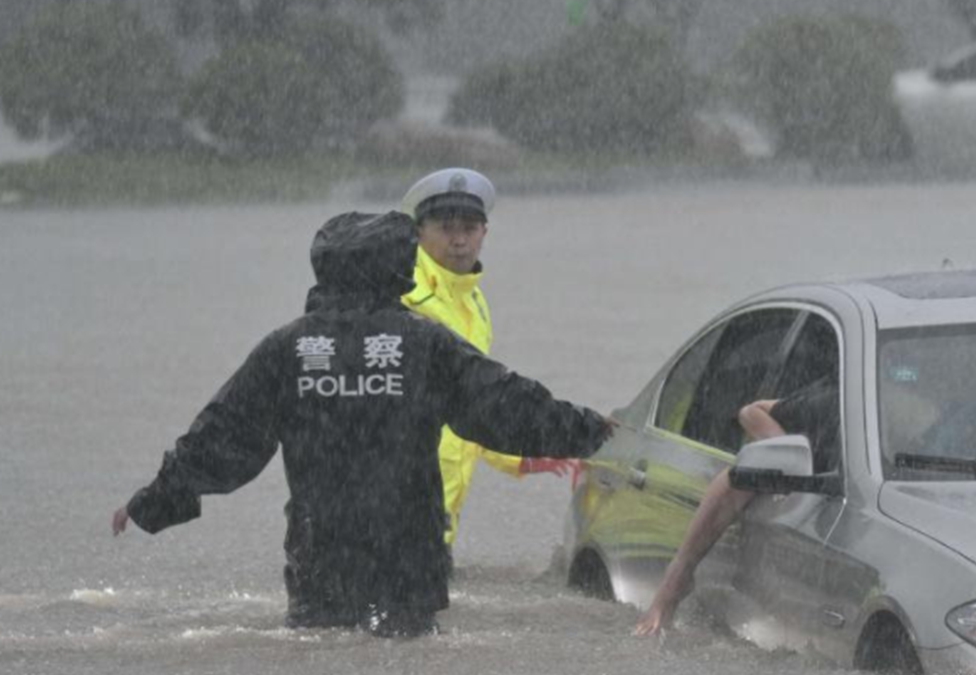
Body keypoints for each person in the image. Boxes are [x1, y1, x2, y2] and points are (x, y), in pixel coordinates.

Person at [111, 211, 613, 637]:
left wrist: (154, 499)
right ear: (399, 269)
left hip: (320, 557)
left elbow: (223, 436)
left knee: (323, 658)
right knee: (406, 668)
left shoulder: (287, 349)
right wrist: (597, 434)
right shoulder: (424, 345)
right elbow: (508, 406)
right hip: (409, 556)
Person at [398, 168, 574, 551]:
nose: (459, 240)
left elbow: (477, 401)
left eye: (470, 228)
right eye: (446, 228)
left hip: (441, 509)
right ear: (418, 232)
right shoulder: (401, 294)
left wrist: (520, 455)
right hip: (398, 499)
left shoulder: (474, 303)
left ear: (485, 233)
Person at [633, 378, 838, 637]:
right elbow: (752, 411)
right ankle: (676, 580)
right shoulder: (836, 401)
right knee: (739, 477)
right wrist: (783, 450)